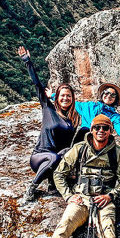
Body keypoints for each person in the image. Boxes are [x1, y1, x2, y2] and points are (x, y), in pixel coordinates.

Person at [35, 114, 120, 238]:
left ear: (111, 130)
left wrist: (110, 195)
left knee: (107, 227)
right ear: (91, 129)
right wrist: (68, 196)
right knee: (65, 224)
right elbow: (59, 174)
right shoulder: (79, 149)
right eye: (97, 128)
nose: (101, 131)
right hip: (81, 199)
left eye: (105, 128)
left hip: (103, 200)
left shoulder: (118, 153)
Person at [18, 46, 83, 203]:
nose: (65, 98)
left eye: (68, 96)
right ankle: (32, 189)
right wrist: (28, 62)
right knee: (53, 157)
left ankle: (54, 182)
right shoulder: (49, 109)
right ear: (57, 97)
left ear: (72, 99)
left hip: (56, 158)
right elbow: (37, 85)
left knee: (83, 134)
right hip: (40, 158)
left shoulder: (73, 119)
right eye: (62, 96)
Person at [52, 83, 120, 151]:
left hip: (100, 140)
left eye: (113, 95)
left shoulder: (114, 116)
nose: (109, 96)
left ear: (115, 99)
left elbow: (119, 126)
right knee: (84, 130)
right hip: (83, 138)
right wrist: (52, 96)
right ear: (102, 94)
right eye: (107, 93)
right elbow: (70, 102)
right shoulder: (89, 106)